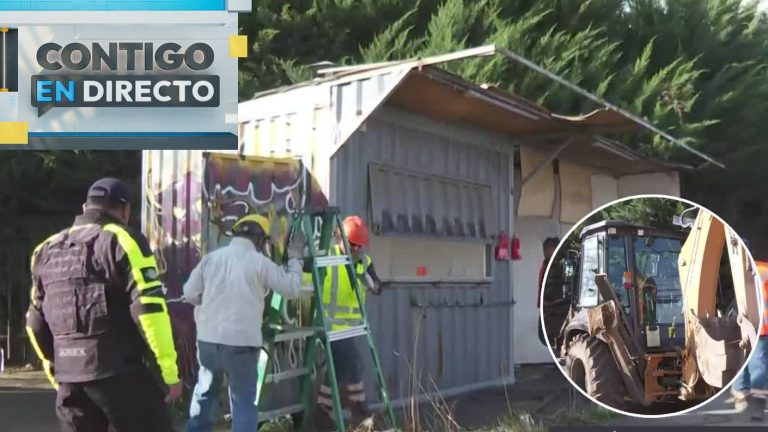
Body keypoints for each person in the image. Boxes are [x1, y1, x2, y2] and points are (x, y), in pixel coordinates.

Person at [25, 177, 182, 432]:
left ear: (85, 206)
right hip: (119, 376)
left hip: (69, 381)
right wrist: (169, 372)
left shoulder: (44, 250)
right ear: (125, 211)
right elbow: (149, 310)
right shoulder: (122, 239)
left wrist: (57, 371)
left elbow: (34, 324)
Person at [183, 213, 306, 432]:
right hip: (242, 344)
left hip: (208, 342)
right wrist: (295, 259)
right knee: (243, 403)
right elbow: (292, 288)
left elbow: (190, 292)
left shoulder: (212, 258)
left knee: (204, 393)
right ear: (260, 240)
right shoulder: (261, 263)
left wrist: (210, 305)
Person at [315, 215, 383, 424]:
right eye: (353, 245)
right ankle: (359, 409)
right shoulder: (327, 258)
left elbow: (379, 287)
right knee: (353, 364)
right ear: (340, 239)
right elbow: (308, 279)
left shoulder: (364, 262)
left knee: (339, 368)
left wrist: (370, 281)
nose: (356, 251)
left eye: (360, 247)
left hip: (351, 328)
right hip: (330, 326)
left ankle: (323, 407)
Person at [731, 260, 768, 421]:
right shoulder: (764, 269)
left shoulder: (739, 267)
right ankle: (756, 407)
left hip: (744, 325)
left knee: (743, 360)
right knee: (758, 365)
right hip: (762, 327)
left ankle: (740, 392)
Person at [537, 237, 560, 347]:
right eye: (545, 249)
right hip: (546, 306)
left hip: (555, 307)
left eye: (549, 249)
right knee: (544, 336)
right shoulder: (546, 264)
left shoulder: (558, 267)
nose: (546, 252)